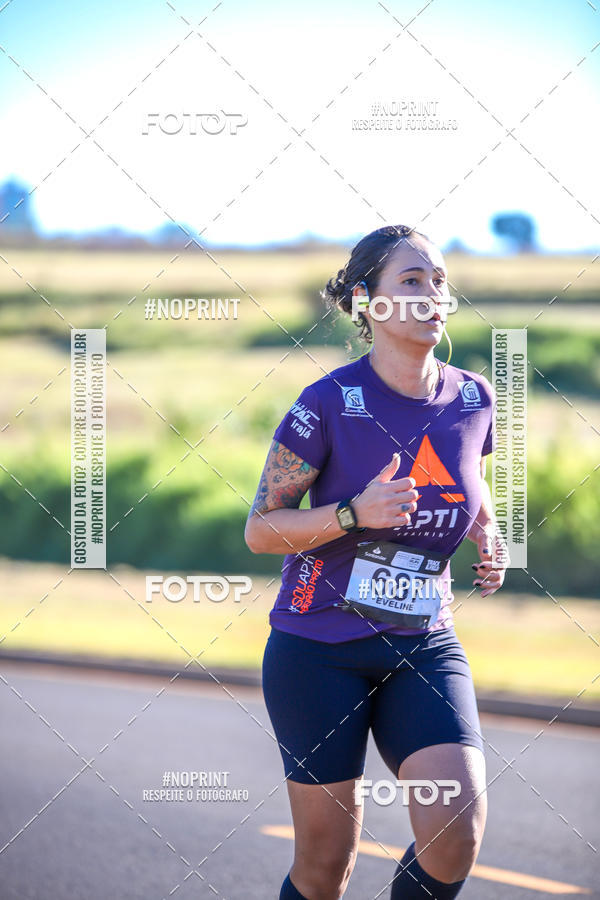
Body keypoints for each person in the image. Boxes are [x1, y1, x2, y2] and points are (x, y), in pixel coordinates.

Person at [245, 224, 508, 900]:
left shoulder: (475, 398)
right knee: (326, 863)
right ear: (369, 302)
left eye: (439, 282)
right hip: (317, 650)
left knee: (457, 829)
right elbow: (261, 529)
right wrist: (352, 515)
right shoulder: (328, 403)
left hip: (423, 643)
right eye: (411, 282)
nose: (431, 295)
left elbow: (460, 486)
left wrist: (486, 529)